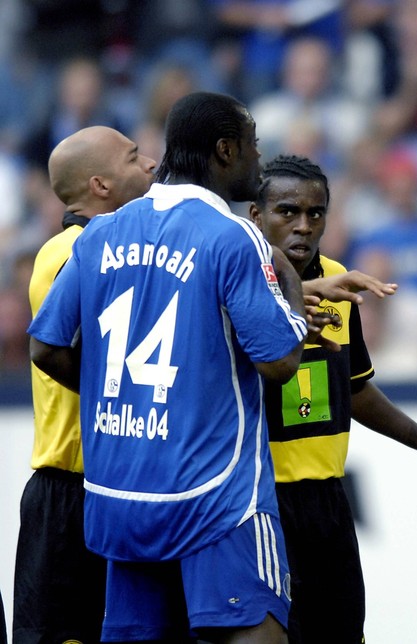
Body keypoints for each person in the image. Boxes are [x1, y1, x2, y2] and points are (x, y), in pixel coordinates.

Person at [27, 91, 313, 643]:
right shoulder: (233, 235)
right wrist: (293, 296)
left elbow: (45, 347)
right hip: (218, 501)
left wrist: (122, 394)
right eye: (253, 145)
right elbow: (279, 361)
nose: (259, 157)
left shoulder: (101, 233)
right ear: (226, 150)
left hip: (122, 500)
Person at [249, 153, 417, 644]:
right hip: (259, 501)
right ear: (257, 215)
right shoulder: (238, 284)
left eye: (315, 213)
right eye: (287, 211)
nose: (303, 226)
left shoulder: (340, 282)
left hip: (327, 503)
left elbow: (353, 387)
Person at [13, 126, 156, 644]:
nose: (151, 164)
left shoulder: (120, 249)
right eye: (134, 157)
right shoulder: (68, 254)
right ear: (100, 185)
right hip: (72, 488)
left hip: (120, 486)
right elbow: (59, 352)